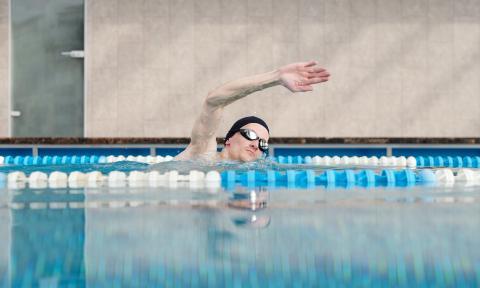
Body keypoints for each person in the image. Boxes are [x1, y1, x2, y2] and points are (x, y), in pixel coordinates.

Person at [174, 61, 330, 162]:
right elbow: (213, 102)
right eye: (250, 135)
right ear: (228, 139)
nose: (256, 145)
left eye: (263, 143)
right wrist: (276, 77)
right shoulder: (203, 154)